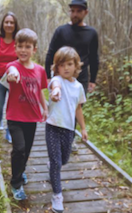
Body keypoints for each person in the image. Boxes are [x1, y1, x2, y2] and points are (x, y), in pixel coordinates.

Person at [45, 0, 99, 152]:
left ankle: (69, 138)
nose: (75, 14)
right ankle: (55, 137)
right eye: (73, 11)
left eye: (79, 11)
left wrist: (93, 80)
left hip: (81, 77)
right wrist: (47, 76)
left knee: (75, 108)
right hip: (60, 77)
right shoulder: (61, 31)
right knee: (60, 105)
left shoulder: (91, 33)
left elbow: (94, 57)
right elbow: (50, 52)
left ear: (85, 13)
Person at [3, 28, 48, 200]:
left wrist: (44, 108)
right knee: (19, 149)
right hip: (14, 116)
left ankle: (21, 171)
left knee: (27, 150)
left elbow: (40, 92)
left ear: (34, 49)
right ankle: (16, 183)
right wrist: (13, 75)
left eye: (27, 47)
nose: (23, 50)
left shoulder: (39, 70)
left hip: (31, 117)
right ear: (15, 48)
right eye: (20, 46)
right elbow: (11, 72)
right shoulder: (13, 66)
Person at [45, 46, 88, 213]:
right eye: (62, 65)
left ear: (76, 66)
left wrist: (83, 128)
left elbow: (78, 109)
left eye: (70, 64)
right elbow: (55, 86)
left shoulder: (78, 87)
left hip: (69, 129)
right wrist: (55, 91)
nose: (66, 68)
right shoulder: (57, 80)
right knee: (56, 163)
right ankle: (57, 195)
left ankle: (52, 166)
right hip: (53, 126)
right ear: (57, 67)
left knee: (63, 159)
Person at [0, 12, 19, 143]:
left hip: (14, 79)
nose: (9, 25)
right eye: (7, 22)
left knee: (13, 107)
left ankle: (9, 131)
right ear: (3, 24)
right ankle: (0, 119)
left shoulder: (18, 42)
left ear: (15, 25)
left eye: (12, 22)